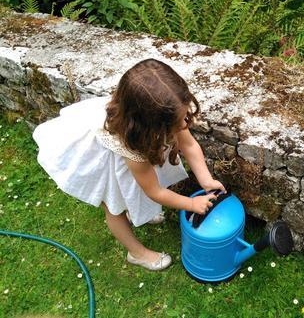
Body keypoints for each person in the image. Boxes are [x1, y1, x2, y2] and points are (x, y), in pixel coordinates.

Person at [33, 58, 226, 271]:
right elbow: (154, 191)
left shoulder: (161, 110)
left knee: (139, 183)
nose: (183, 124)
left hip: (134, 150)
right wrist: (191, 204)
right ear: (151, 126)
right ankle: (137, 253)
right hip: (100, 160)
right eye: (176, 122)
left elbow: (188, 145)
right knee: (114, 206)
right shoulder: (132, 144)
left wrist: (206, 180)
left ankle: (137, 214)